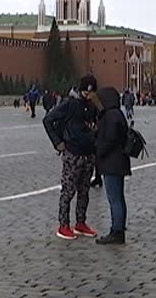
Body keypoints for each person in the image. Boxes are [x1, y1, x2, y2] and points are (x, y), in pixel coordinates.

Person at [43, 74, 100, 240]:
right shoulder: (69, 104)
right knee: (68, 191)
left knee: (84, 191)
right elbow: (48, 120)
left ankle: (80, 223)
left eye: (91, 93)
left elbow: (96, 124)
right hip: (72, 154)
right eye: (86, 92)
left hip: (88, 154)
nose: (88, 95)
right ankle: (63, 225)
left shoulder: (93, 106)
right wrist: (58, 142)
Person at [94, 86, 131, 245]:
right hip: (119, 161)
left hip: (111, 162)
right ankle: (119, 229)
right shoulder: (117, 114)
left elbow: (109, 140)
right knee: (119, 198)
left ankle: (116, 231)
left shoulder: (110, 116)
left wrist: (98, 151)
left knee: (114, 198)